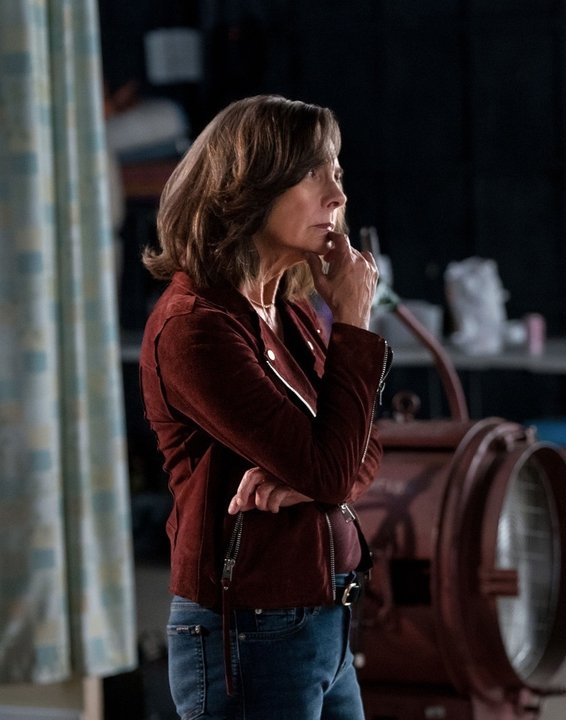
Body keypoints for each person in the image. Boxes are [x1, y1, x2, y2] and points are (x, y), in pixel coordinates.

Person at [139, 95, 390, 719]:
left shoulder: (288, 311)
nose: (337, 195)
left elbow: (363, 450)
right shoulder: (196, 327)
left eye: (337, 172)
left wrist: (309, 482)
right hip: (249, 630)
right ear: (246, 188)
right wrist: (353, 321)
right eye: (312, 173)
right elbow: (336, 468)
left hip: (323, 620)